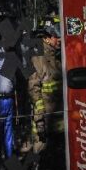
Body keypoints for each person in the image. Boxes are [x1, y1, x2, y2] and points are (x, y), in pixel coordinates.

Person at [28, 21, 63, 154]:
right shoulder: (39, 58)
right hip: (44, 124)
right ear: (47, 38)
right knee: (43, 159)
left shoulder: (57, 56)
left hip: (58, 124)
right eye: (56, 36)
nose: (59, 40)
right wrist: (40, 120)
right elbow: (34, 89)